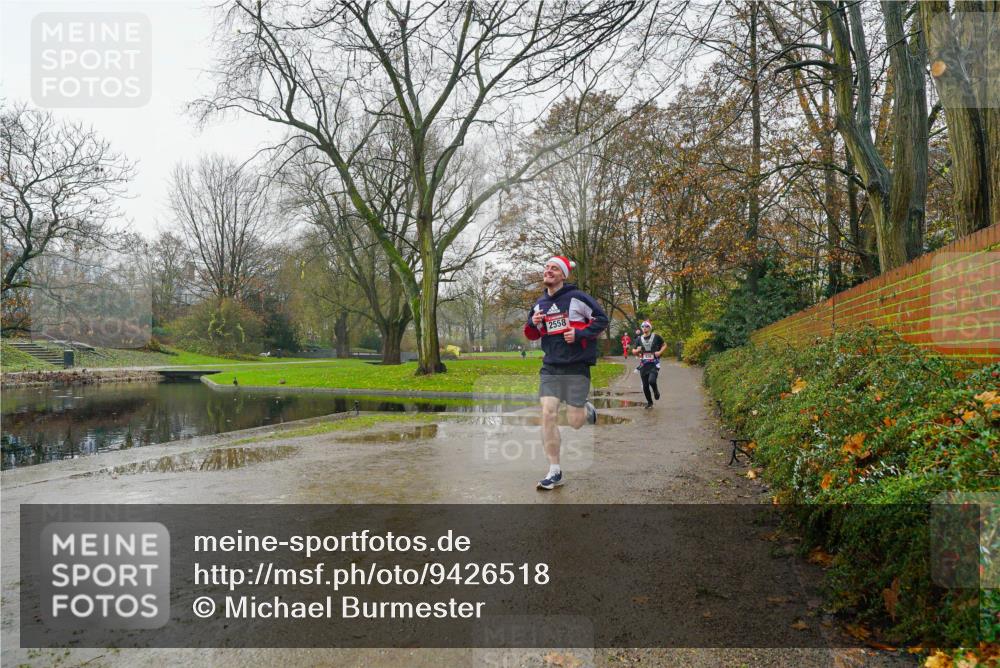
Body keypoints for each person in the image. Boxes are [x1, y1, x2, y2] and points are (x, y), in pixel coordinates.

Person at [524, 255, 608, 490]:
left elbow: (602, 319)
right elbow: (531, 334)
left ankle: (585, 408)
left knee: (576, 422)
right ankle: (554, 470)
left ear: (563, 274)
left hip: (576, 366)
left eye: (554, 268)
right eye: (546, 267)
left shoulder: (577, 298)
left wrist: (579, 334)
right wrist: (533, 322)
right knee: (548, 413)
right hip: (551, 366)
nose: (548, 271)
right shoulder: (539, 304)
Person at [632, 320, 666, 409]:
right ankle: (649, 402)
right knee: (645, 386)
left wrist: (660, 352)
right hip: (643, 365)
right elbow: (633, 351)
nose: (644, 328)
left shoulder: (656, 337)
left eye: (646, 326)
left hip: (654, 364)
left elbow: (664, 345)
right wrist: (637, 351)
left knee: (652, 381)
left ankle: (655, 391)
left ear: (650, 327)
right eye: (643, 326)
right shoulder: (639, 339)